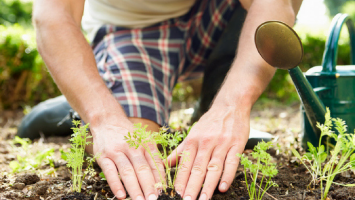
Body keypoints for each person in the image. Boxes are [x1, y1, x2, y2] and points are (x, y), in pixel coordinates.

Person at [26, 0, 302, 199]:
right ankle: (88, 100)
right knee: (139, 146)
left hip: (220, 12)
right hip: (134, 27)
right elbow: (53, 16)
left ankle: (212, 110)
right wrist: (104, 118)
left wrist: (232, 106)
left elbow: (274, 5)